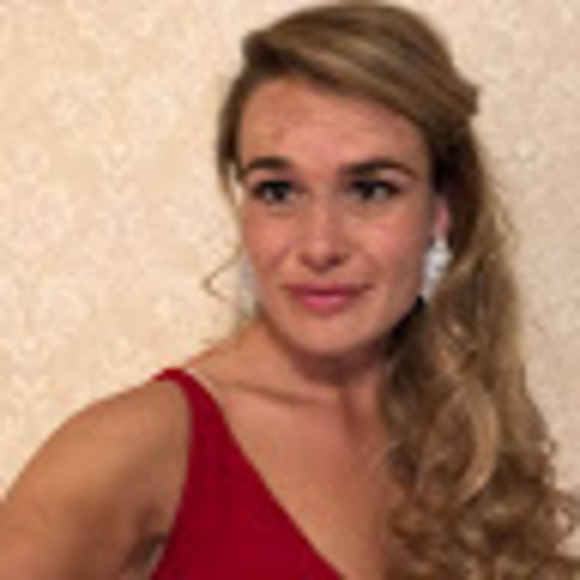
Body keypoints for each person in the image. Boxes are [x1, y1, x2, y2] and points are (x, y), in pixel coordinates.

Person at [0, 2, 578, 578]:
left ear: (442, 209)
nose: (319, 245)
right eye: (278, 191)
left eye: (371, 190)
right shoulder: (138, 445)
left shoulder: (462, 436)